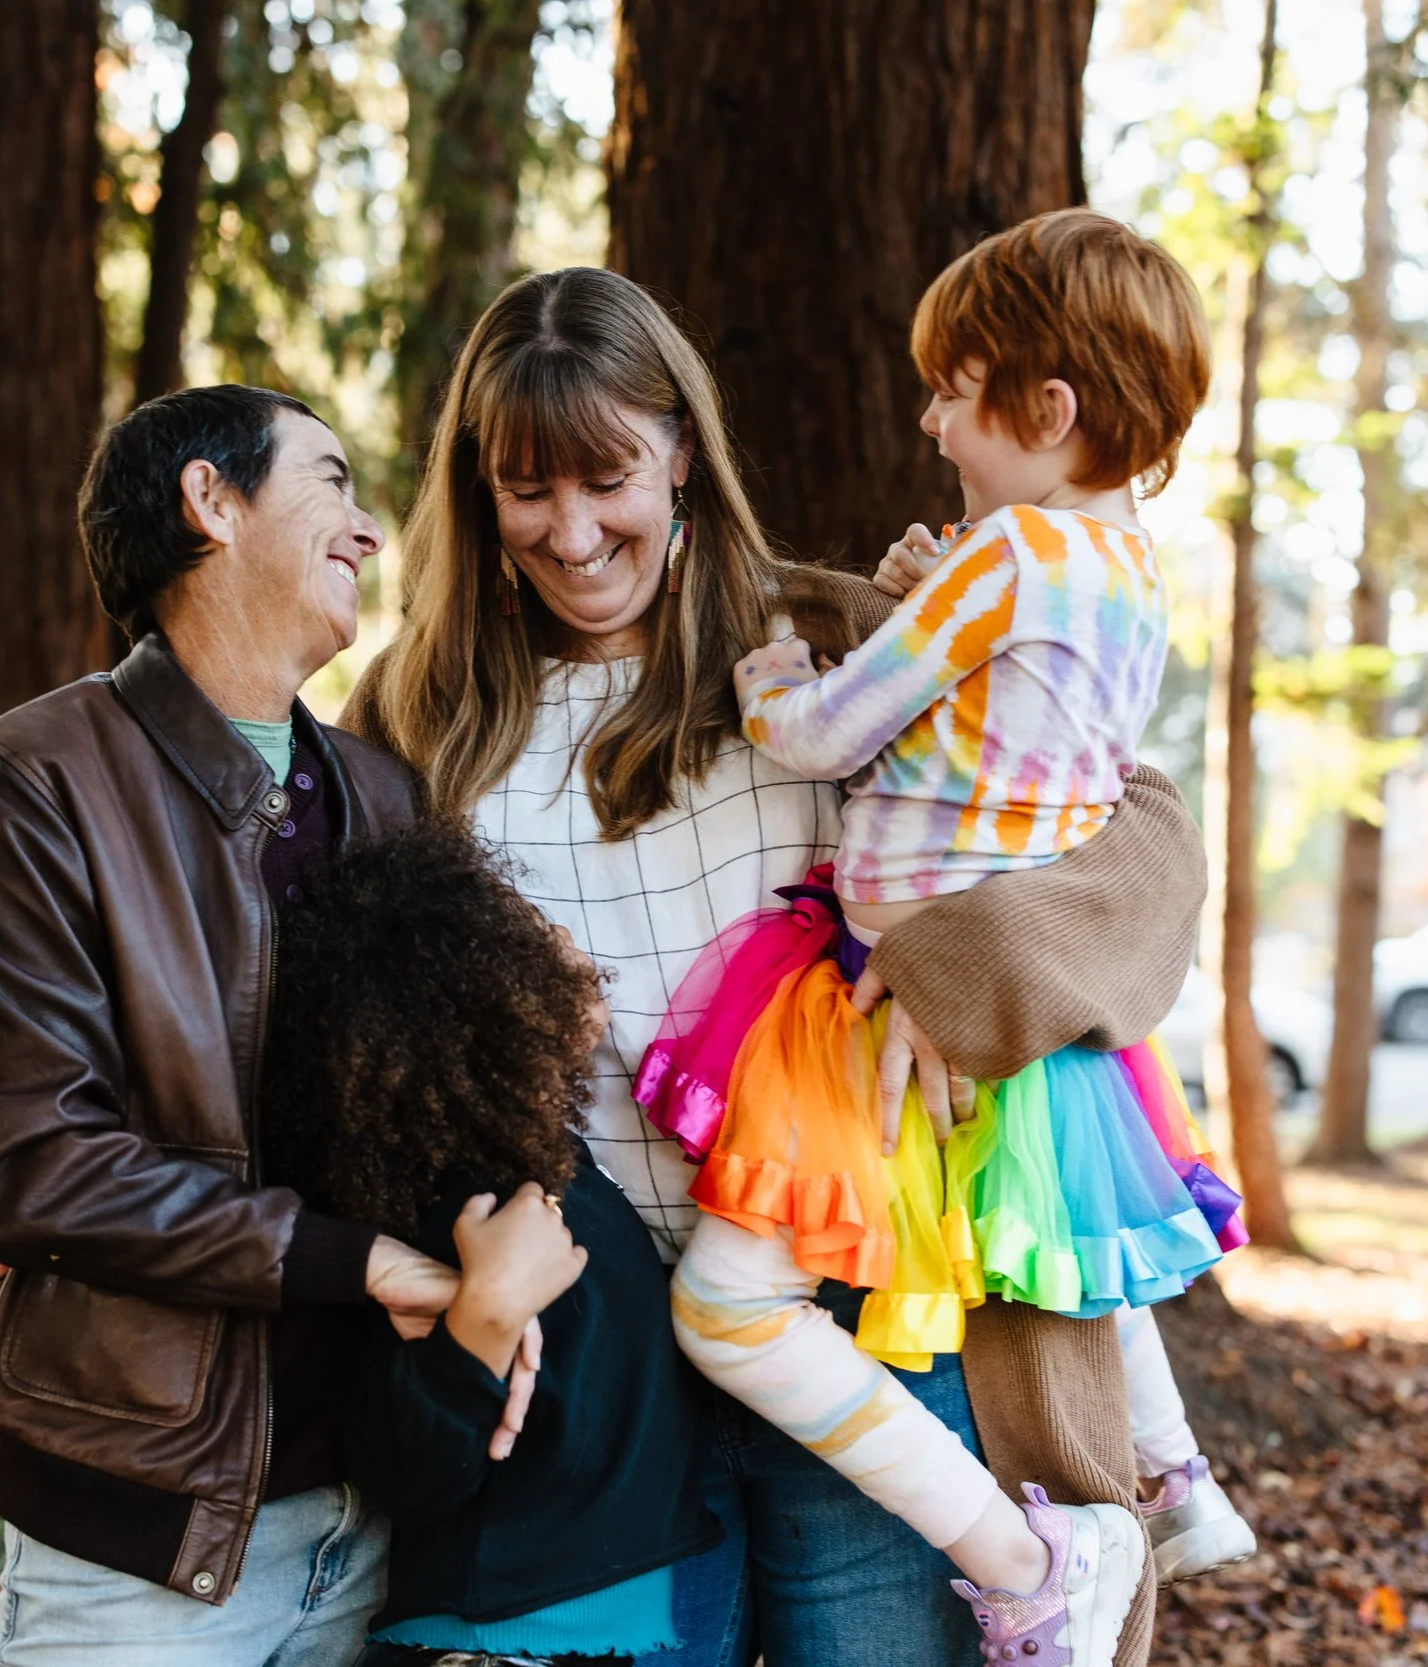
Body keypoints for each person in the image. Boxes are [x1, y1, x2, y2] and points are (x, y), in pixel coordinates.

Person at [340, 265, 1212, 1667]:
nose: (573, 533)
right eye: (527, 490)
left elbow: (1143, 842)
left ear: (683, 449)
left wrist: (965, 965)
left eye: (610, 477)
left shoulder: (823, 637)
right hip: (599, 1366)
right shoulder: (415, 717)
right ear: (476, 492)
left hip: (864, 1316)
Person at [654, 209, 1257, 1667]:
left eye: (953, 388)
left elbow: (834, 731)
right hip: (1030, 1020)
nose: (930, 420)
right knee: (1067, 1239)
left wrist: (773, 676)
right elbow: (1026, 742)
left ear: (1046, 409)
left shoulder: (1012, 555)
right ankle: (1171, 1470)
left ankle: (1035, 1551)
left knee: (730, 1303)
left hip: (892, 991)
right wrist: (936, 594)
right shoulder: (1131, 567)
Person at [0, 385, 483, 1666]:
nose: (368, 528)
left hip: (375, 1518)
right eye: (330, 482)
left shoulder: (384, 797)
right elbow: (33, 1165)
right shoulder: (29, 783)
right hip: (140, 1543)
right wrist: (360, 1261)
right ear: (209, 499)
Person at [260, 821, 721, 1667]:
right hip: (500, 1642)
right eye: (542, 943)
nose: (578, 954)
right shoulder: (464, 1218)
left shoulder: (549, 1168)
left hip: (617, 1611)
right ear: (493, 1007)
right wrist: (478, 1326)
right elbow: (407, 1467)